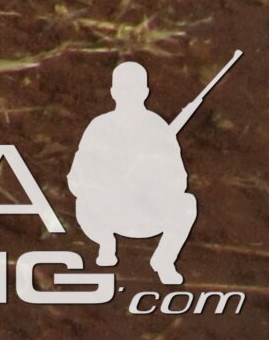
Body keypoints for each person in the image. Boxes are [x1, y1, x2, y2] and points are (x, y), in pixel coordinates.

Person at [71, 59, 202, 284]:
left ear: (145, 92)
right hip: (108, 212)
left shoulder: (158, 128)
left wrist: (151, 178)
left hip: (146, 212)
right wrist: (108, 181)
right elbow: (77, 178)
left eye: (134, 88)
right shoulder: (99, 127)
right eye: (123, 88)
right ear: (113, 92)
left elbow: (179, 180)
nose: (128, 94)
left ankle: (164, 260)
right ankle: (105, 243)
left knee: (187, 204)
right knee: (82, 204)